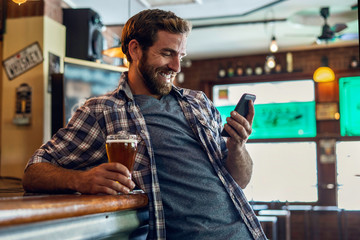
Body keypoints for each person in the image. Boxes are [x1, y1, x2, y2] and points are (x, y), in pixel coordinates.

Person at [23, 9, 266, 240]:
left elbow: (240, 181)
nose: (176, 67)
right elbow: (34, 171)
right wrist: (82, 180)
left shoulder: (199, 102)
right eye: (167, 53)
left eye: (180, 56)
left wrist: (238, 146)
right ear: (135, 49)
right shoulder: (102, 110)